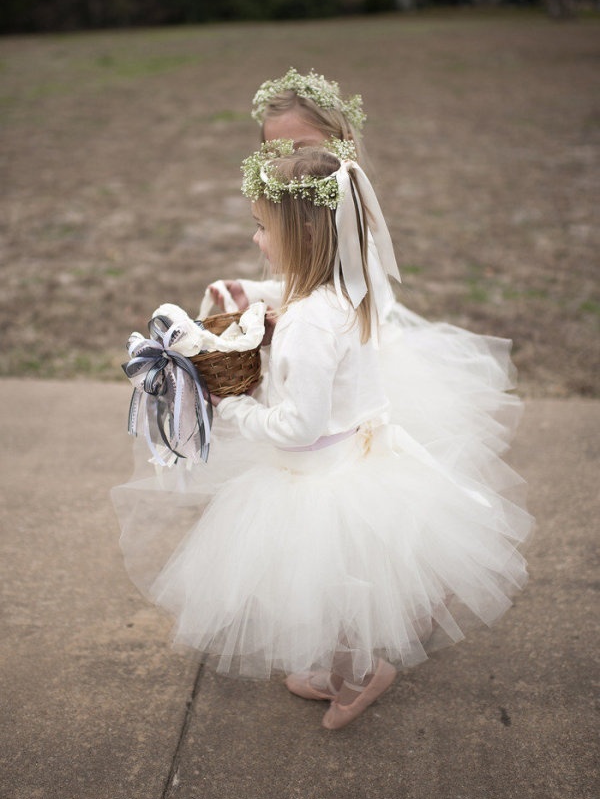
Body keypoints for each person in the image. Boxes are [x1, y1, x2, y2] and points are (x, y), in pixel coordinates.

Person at [114, 140, 532, 730]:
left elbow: (296, 425)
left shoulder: (308, 322)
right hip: (359, 461)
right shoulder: (338, 296)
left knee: (327, 597)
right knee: (340, 593)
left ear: (302, 236)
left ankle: (362, 674)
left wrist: (228, 406)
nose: (256, 240)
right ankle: (344, 670)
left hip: (317, 475)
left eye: (263, 228)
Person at [211, 69, 523, 480]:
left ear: (343, 141)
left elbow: (348, 295)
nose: (287, 157)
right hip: (328, 359)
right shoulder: (306, 221)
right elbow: (314, 279)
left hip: (360, 363)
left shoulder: (346, 226)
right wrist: (254, 292)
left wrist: (285, 332)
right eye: (275, 149)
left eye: (301, 145)